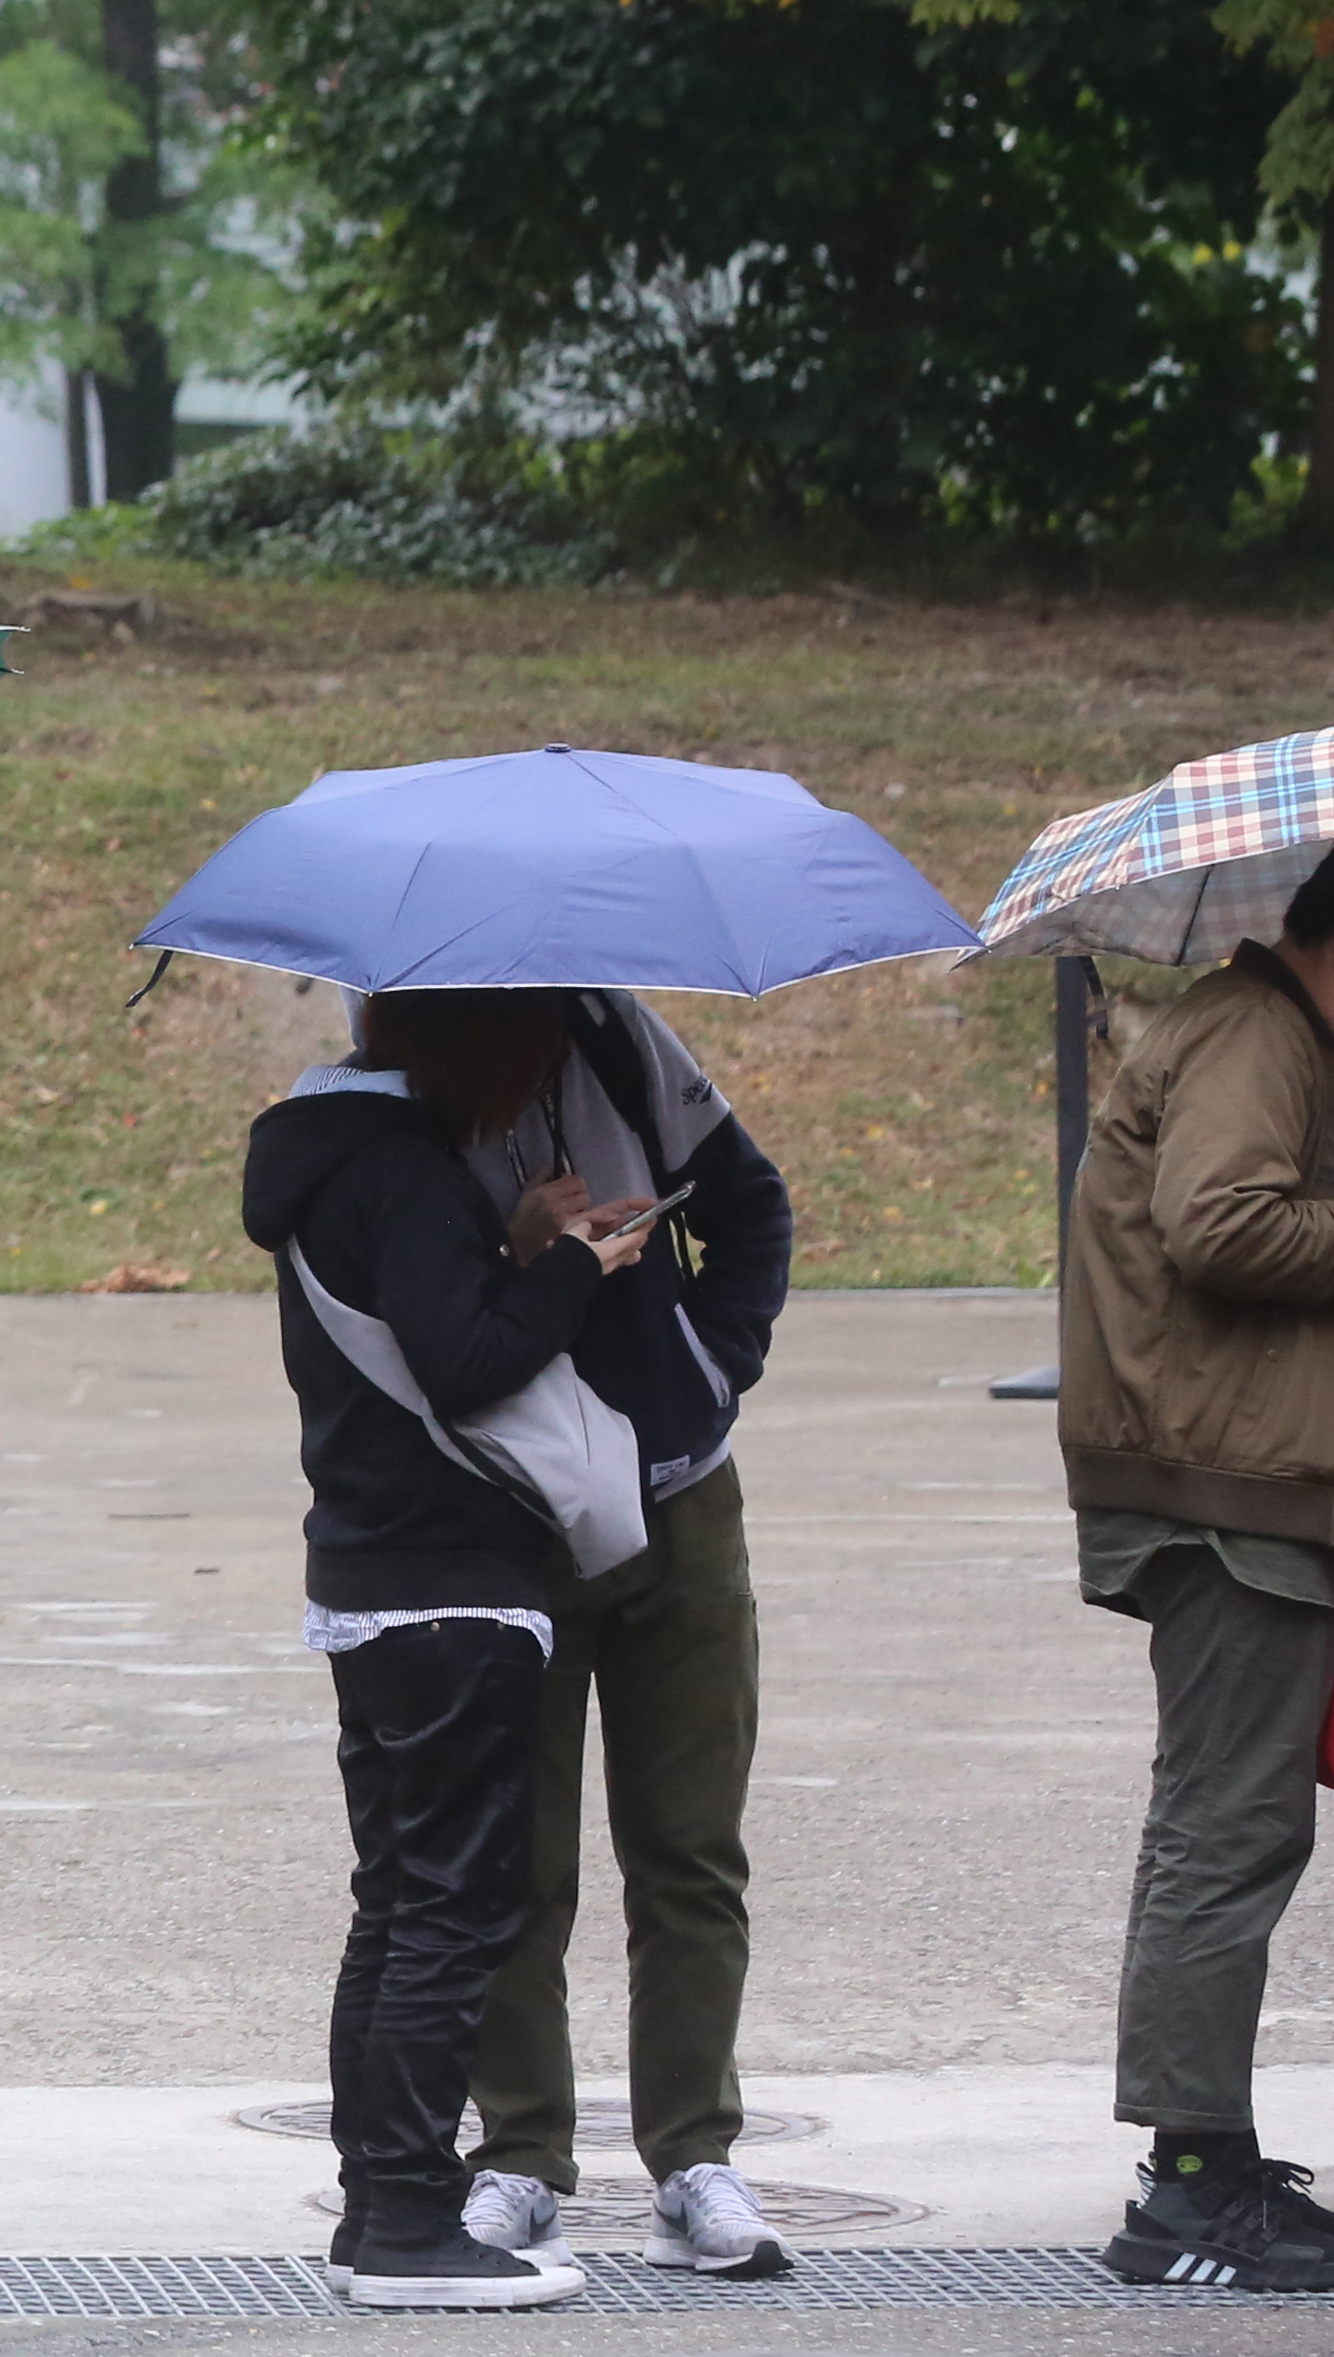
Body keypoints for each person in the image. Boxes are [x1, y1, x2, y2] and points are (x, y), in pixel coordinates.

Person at [1062, 824, 1334, 2295]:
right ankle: (1187, 2190)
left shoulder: (1276, 1040)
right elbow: (1218, 1222)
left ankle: (1220, 2161)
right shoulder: (1253, 1026)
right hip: (1227, 1493)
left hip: (1250, 1481)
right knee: (1225, 1830)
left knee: (1238, 1826)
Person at [244, 988, 653, 2314]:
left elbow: (419, 1314)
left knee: (398, 1898)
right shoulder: (408, 1169)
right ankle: (413, 2214)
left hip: (372, 1576)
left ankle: (381, 2200)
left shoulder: (336, 1159)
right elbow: (466, 1361)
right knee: (453, 1908)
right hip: (448, 1584)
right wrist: (573, 1269)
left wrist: (515, 1237)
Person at [449, 986, 796, 2279]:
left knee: (691, 1846)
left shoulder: (617, 1034)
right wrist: (523, 1247)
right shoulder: (402, 1082)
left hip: (680, 1495)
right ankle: (521, 2155)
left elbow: (752, 1207)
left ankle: (696, 2154)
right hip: (508, 1513)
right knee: (513, 1865)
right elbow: (411, 1305)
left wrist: (713, 1360)